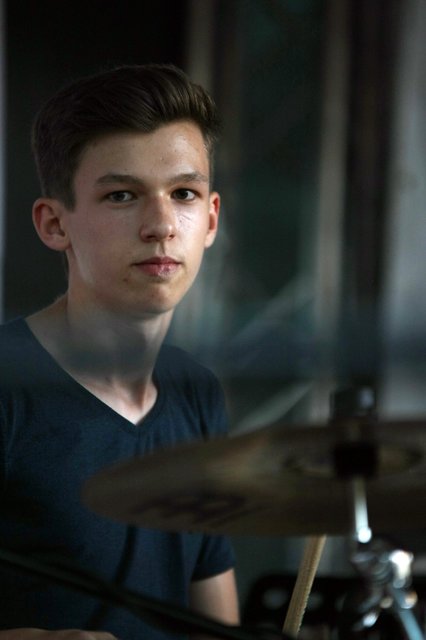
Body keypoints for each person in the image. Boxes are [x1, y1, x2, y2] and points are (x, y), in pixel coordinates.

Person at [0, 64, 239, 639]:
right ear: (54, 224)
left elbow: (218, 623)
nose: (161, 225)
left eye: (183, 194)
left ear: (210, 219)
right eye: (122, 195)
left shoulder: (196, 391)